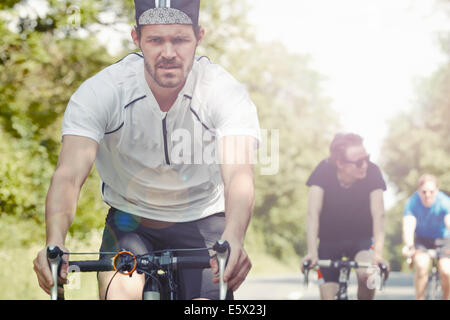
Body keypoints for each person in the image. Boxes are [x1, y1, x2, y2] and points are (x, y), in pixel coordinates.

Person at [33, 0, 260, 300]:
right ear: (136, 38)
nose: (168, 53)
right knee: (119, 295)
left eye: (179, 39)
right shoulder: (103, 91)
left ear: (199, 38)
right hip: (131, 220)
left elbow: (238, 175)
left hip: (203, 217)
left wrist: (234, 235)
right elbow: (69, 176)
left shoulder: (223, 92)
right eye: (155, 40)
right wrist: (55, 241)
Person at [302, 132, 388, 300]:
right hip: (328, 242)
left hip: (362, 241)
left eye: (367, 158)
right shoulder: (323, 171)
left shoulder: (373, 171)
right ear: (340, 163)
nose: (365, 165)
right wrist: (312, 252)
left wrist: (377, 254)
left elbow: (379, 215)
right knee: (328, 296)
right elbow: (313, 214)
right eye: (358, 162)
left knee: (369, 276)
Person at [402, 174, 450, 300]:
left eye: (431, 192)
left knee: (446, 271)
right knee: (422, 266)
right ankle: (420, 298)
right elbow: (408, 226)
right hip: (422, 240)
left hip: (443, 240)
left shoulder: (444, 201)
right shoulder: (412, 202)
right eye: (424, 192)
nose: (427, 195)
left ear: (437, 191)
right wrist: (409, 246)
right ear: (418, 191)